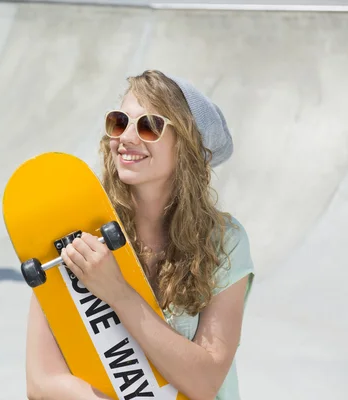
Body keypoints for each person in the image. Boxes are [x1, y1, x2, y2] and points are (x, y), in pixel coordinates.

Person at [25, 70, 255, 400]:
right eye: (119, 122)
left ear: (188, 147)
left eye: (149, 126)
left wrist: (117, 292)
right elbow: (41, 381)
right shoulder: (75, 231)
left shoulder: (224, 241)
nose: (126, 138)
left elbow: (206, 382)